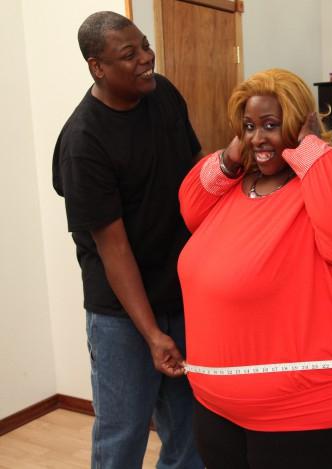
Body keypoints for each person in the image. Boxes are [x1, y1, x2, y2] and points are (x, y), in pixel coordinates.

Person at [177, 68, 332, 469]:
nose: (258, 137)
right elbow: (190, 205)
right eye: (249, 126)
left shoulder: (324, 184)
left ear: (299, 124)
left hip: (314, 414)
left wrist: (308, 148)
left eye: (272, 125)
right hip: (219, 411)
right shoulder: (233, 188)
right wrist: (236, 151)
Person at [52, 11, 203, 469]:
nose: (146, 58)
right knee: (123, 435)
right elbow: (113, 249)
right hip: (121, 314)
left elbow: (196, 174)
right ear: (98, 67)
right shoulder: (84, 141)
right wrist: (153, 334)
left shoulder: (163, 94)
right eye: (129, 54)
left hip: (180, 295)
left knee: (190, 431)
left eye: (145, 46)